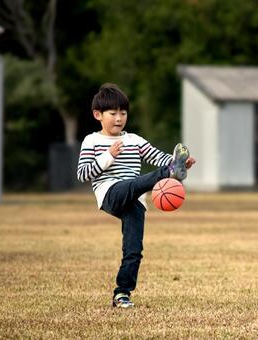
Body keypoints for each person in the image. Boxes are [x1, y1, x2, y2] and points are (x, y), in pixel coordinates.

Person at [77, 83, 196, 308]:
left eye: (123, 113)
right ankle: (170, 173)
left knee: (134, 250)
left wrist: (180, 164)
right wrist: (107, 156)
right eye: (113, 113)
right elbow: (83, 174)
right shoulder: (91, 141)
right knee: (132, 184)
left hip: (135, 201)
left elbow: (157, 157)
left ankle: (122, 293)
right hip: (110, 193)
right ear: (97, 115)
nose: (119, 118)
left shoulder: (134, 140)